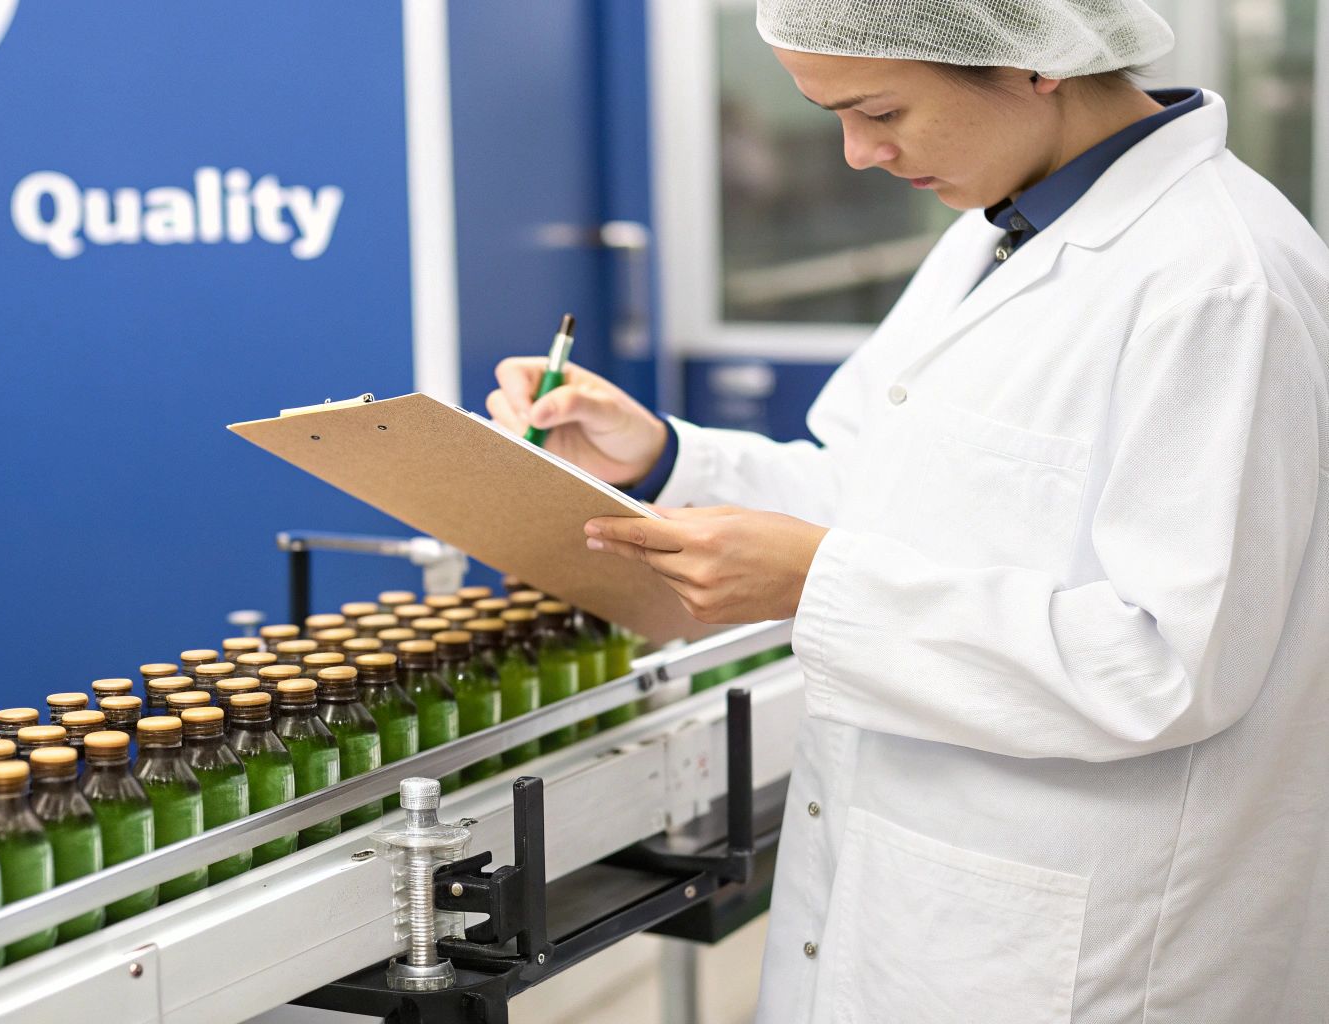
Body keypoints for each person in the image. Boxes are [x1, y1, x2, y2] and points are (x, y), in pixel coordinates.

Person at [488, 2, 1329, 1020]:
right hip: (927, 894)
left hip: (1090, 934)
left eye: (878, 108)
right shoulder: (1001, 230)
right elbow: (880, 488)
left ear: (1032, 61)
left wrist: (818, 584)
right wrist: (667, 455)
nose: (854, 155)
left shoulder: (1216, 282)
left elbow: (1166, 663)